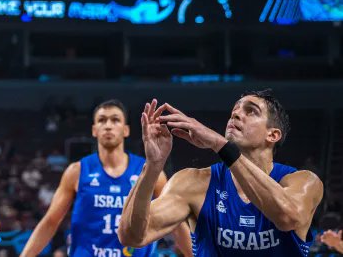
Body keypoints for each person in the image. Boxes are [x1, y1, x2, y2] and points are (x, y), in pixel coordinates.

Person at [118, 90, 324, 256]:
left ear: (272, 135)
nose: (236, 114)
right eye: (235, 110)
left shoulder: (304, 182)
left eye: (251, 111)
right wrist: (152, 166)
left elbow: (287, 217)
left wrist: (220, 144)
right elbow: (132, 236)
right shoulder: (194, 183)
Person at [21, 100, 192, 257]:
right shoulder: (77, 171)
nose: (108, 125)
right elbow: (51, 221)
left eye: (115, 120)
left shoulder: (150, 172)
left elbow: (175, 224)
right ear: (94, 130)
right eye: (102, 120)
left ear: (126, 130)